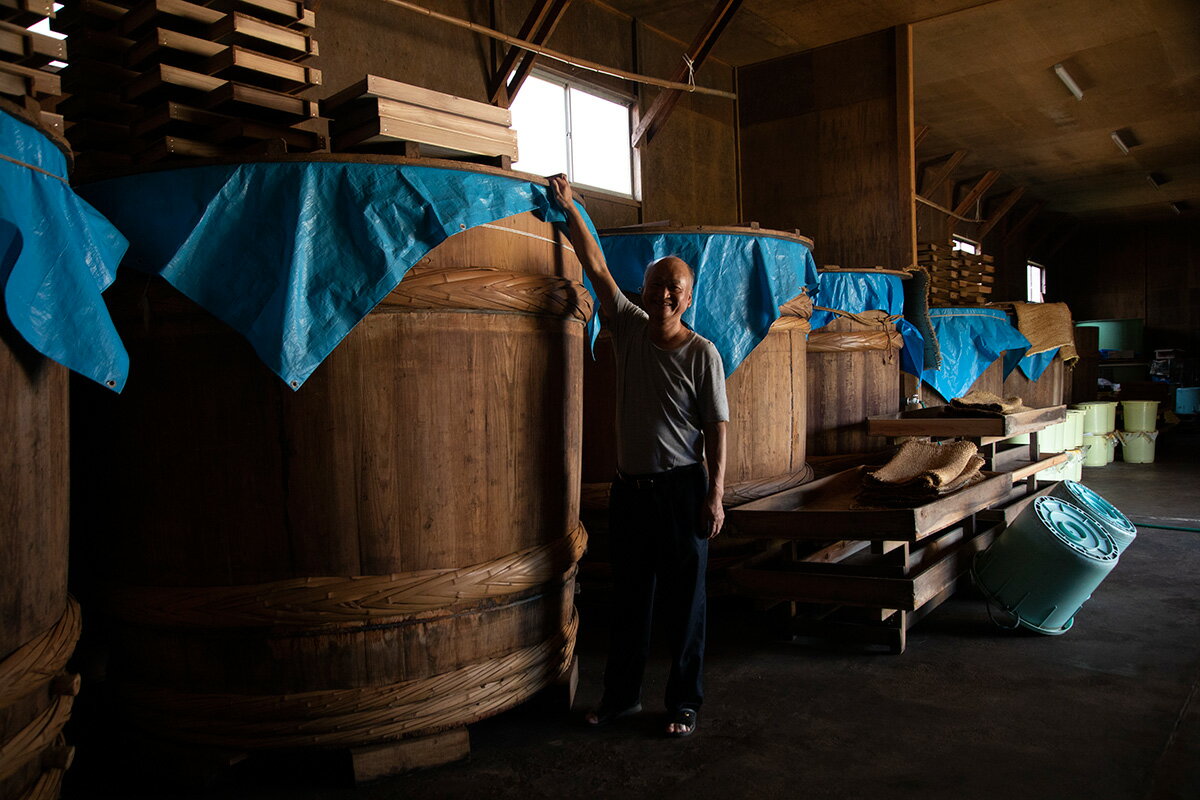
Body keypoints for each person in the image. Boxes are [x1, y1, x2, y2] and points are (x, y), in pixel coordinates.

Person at [548, 175, 728, 739]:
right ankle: (622, 697)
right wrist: (571, 207)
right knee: (629, 602)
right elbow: (597, 267)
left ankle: (683, 704)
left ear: (689, 296)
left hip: (681, 492)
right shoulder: (626, 326)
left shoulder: (703, 354)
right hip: (632, 492)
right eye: (655, 287)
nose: (663, 296)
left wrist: (716, 493)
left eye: (674, 288)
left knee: (685, 606)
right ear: (644, 292)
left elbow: (717, 428)